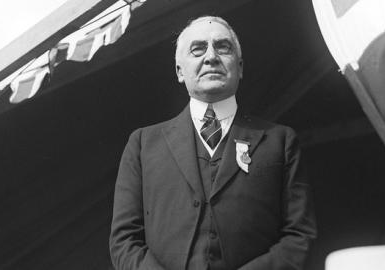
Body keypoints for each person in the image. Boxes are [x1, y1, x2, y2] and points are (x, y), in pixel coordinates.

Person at [109, 16, 316, 270]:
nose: (211, 57)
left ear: (239, 67)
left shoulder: (280, 141)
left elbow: (299, 236)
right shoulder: (143, 144)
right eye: (198, 49)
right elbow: (124, 240)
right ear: (179, 71)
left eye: (223, 47)